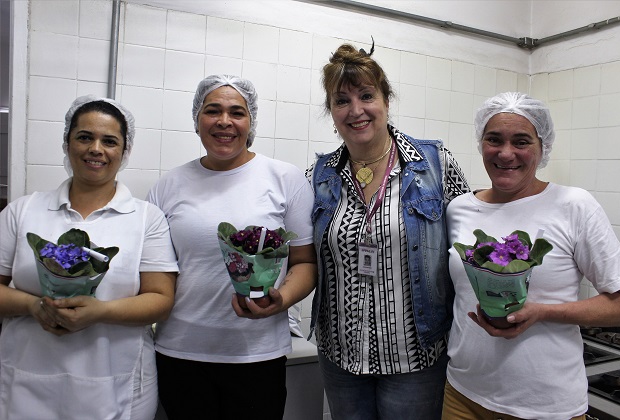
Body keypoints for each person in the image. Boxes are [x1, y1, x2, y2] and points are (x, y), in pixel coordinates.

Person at [306, 42, 470, 420]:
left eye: (367, 95)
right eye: (342, 100)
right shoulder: (318, 178)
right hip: (341, 357)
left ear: (386, 100)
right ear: (331, 112)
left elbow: (471, 247)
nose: (356, 110)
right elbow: (303, 258)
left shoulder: (435, 165)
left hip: (415, 357)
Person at [443, 92, 620, 420]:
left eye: (521, 141)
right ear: (480, 143)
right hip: (463, 395)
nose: (505, 153)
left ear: (542, 147)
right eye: (494, 139)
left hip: (545, 405)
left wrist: (543, 312)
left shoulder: (574, 206)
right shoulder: (459, 209)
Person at [147, 74, 317, 419]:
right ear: (197, 120)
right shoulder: (169, 185)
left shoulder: (284, 179)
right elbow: (157, 271)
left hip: (256, 354)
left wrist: (279, 300)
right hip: (180, 352)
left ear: (250, 122)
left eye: (237, 112)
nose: (224, 121)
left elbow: (305, 262)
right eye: (213, 111)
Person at [0, 95, 179, 419]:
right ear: (67, 142)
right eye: (85, 137)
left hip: (118, 386)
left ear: (124, 151)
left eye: (109, 141)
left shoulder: (145, 218)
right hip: (26, 379)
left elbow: (161, 299)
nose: (96, 148)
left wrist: (101, 312)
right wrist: (33, 306)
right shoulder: (23, 210)